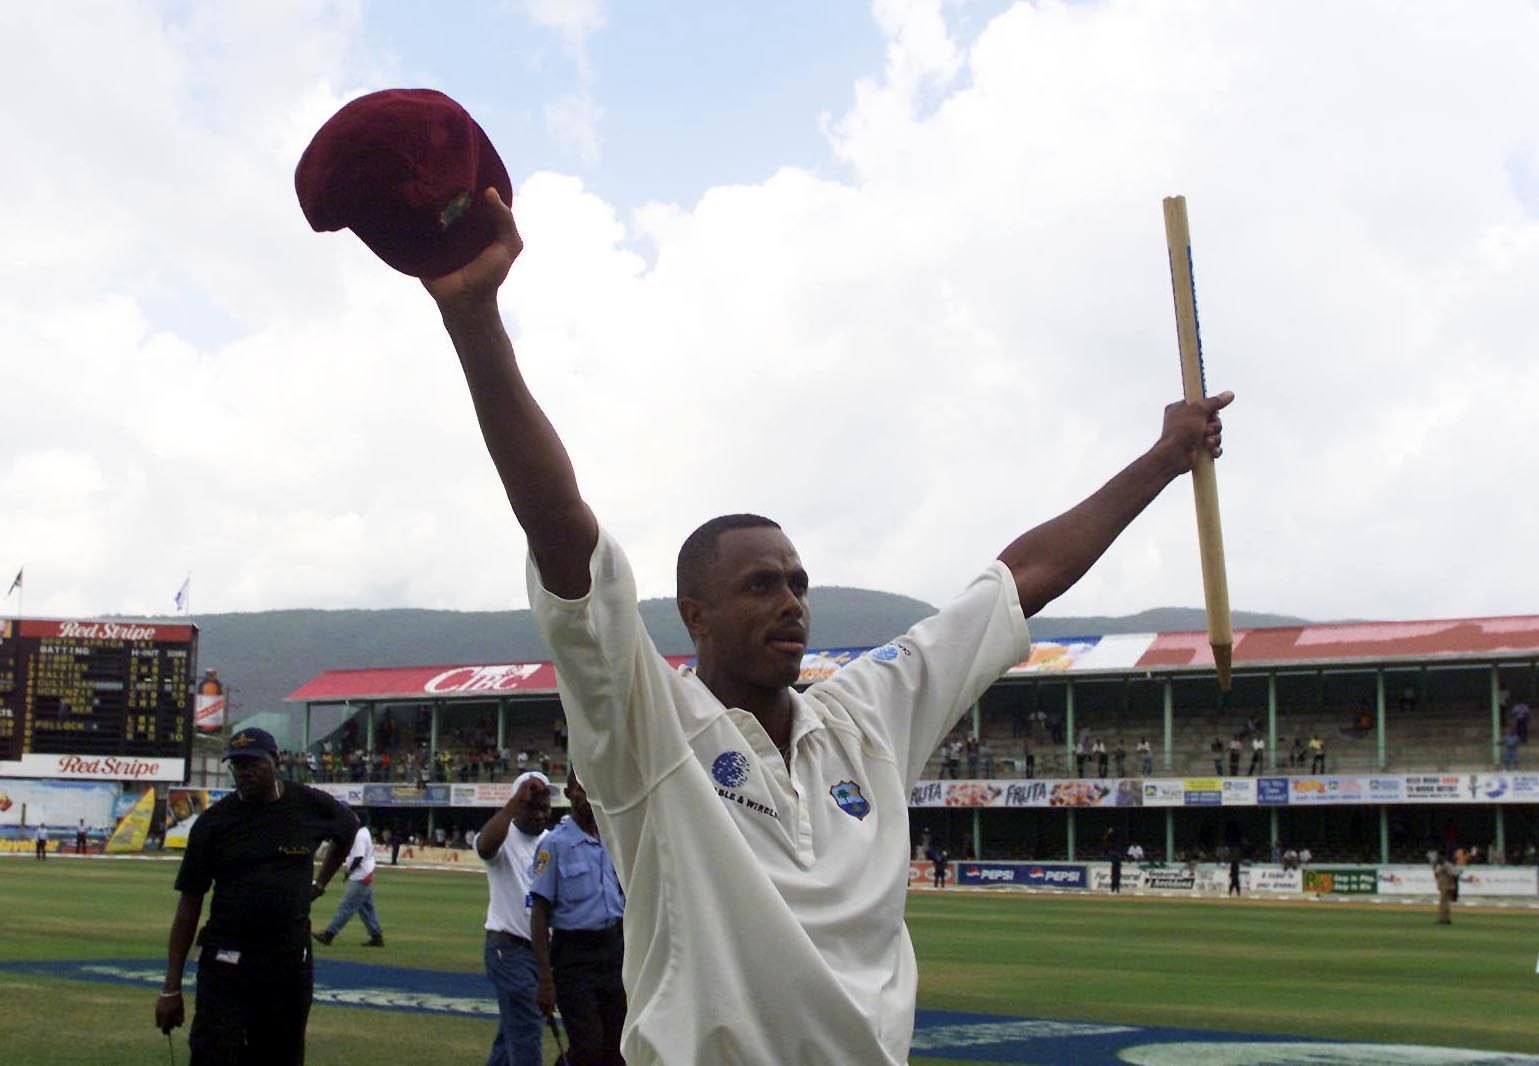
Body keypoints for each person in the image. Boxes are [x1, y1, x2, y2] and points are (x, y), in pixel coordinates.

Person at [419, 179, 1229, 1064]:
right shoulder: (648, 731)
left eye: (798, 583)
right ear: (694, 613)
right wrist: (475, 322)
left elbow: (1018, 579)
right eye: (760, 585)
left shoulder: (865, 718)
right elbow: (563, 533)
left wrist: (1160, 459)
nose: (791, 601)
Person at [154, 727, 357, 1064]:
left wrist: (319, 884)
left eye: (253, 764)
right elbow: (189, 904)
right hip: (226, 965)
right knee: (214, 1056)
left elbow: (348, 827)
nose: (244, 772)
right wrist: (171, 987)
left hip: (288, 965)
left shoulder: (307, 804)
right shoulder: (213, 824)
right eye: (237, 765)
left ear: (275, 762)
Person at [530, 769, 626, 1066]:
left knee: (618, 1049)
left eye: (592, 788)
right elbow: (539, 913)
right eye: (580, 789)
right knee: (587, 1048)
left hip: (614, 952)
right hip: (575, 957)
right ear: (569, 793)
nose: (587, 796)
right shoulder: (555, 845)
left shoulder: (614, 840)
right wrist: (545, 978)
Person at [477, 771, 554, 1066]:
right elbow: (485, 846)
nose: (539, 815)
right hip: (508, 949)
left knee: (510, 1036)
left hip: (542, 954)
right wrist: (514, 801)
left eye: (544, 808)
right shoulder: (504, 836)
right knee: (527, 1030)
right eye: (530, 808)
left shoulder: (554, 841)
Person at [313, 817, 385, 947]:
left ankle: (329, 934)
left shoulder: (359, 835)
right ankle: (376, 936)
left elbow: (358, 856)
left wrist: (349, 872)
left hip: (360, 875)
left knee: (347, 907)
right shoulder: (365, 832)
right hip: (365, 874)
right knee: (366, 909)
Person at [1434, 854, 1460, 924]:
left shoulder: (1447, 865)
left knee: (1443, 904)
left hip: (1447, 886)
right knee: (1445, 904)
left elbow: (1453, 874)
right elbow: (1436, 874)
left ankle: (1443, 919)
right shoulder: (1440, 866)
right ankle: (1446, 919)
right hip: (1443, 886)